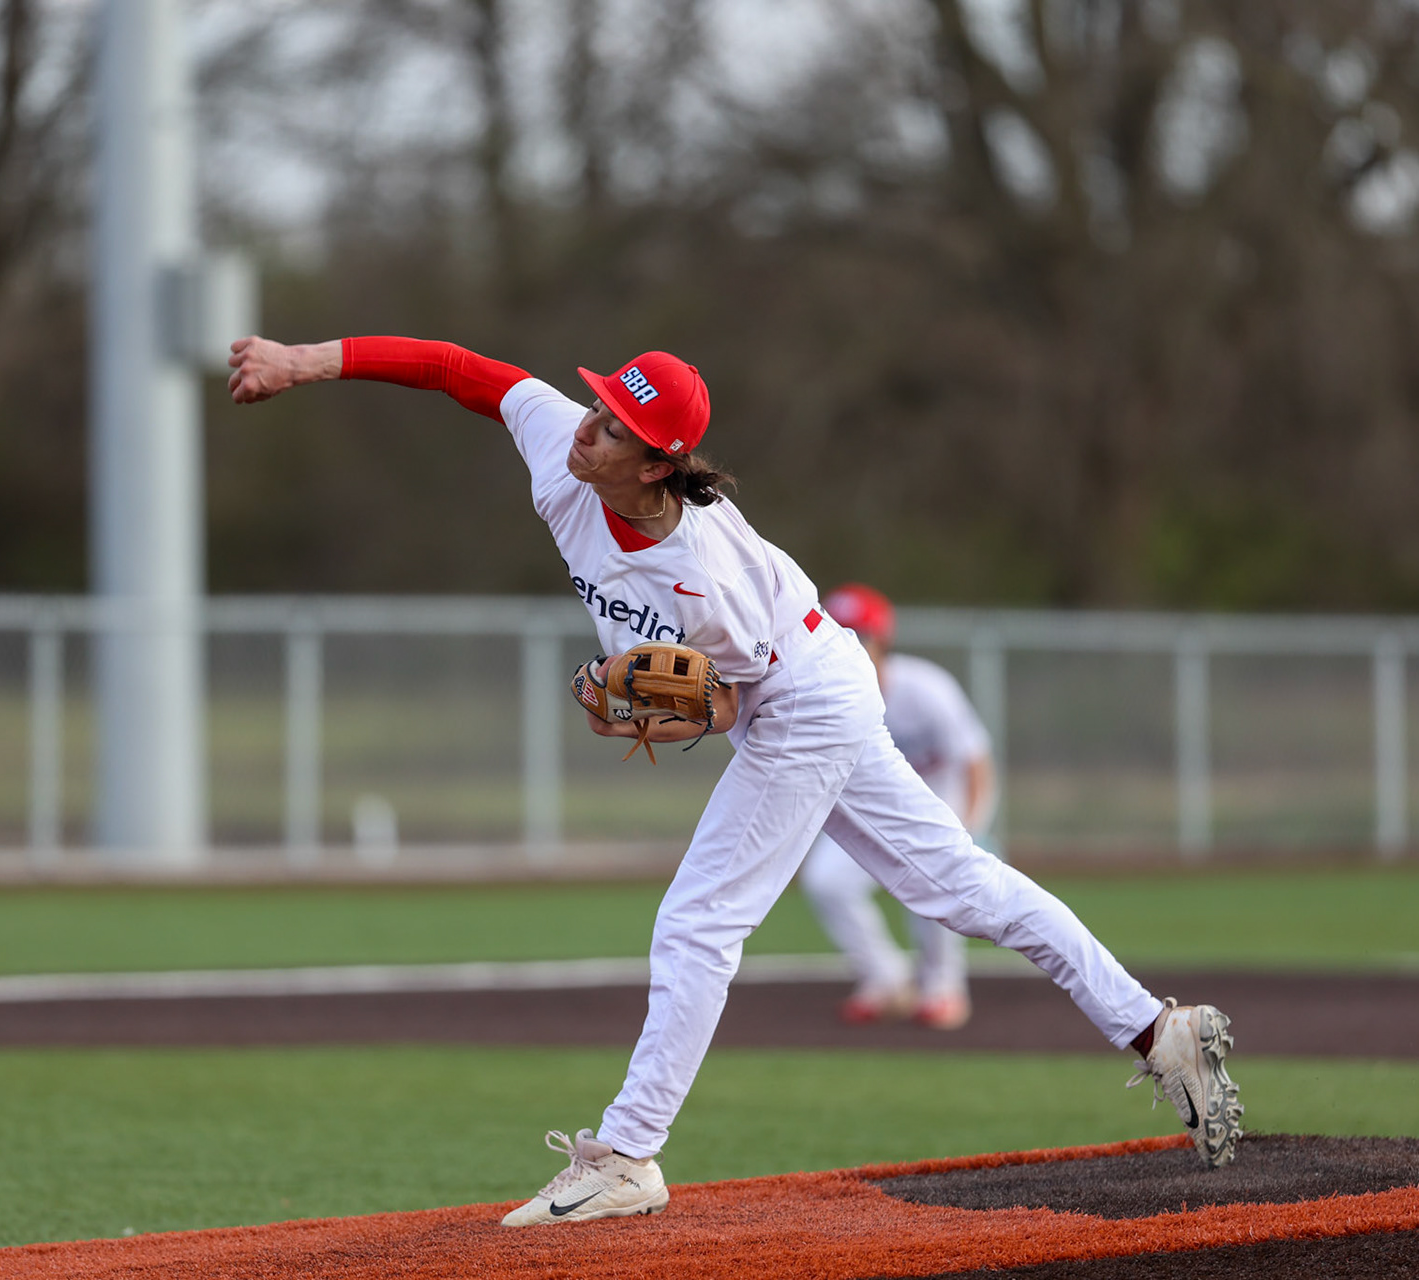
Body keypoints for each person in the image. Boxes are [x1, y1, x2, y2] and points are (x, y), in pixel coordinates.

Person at [226, 334, 1243, 1226]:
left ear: (658, 462)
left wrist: (623, 697)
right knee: (955, 884)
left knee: (701, 917)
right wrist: (300, 362)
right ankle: (1160, 1030)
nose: (589, 428)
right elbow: (457, 369)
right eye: (599, 401)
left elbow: (720, 706)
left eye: (617, 425)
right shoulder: (560, 444)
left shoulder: (700, 572)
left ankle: (627, 1155)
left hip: (798, 689)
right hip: (812, 675)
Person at [798, 583, 996, 1030]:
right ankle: (886, 979)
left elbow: (976, 762)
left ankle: (943, 987)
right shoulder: (824, 697)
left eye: (860, 635)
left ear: (883, 642)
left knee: (935, 881)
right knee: (825, 881)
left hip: (941, 802)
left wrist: (973, 824)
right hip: (876, 809)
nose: (851, 644)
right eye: (839, 633)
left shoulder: (925, 688)